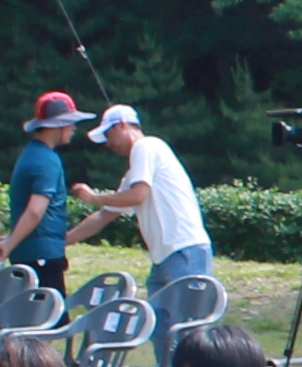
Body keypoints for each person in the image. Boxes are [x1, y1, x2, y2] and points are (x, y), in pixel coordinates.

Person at [75, 102, 211, 290]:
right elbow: (103, 216)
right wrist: (63, 241)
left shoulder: (146, 146)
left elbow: (137, 196)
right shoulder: (135, 173)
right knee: (157, 319)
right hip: (165, 258)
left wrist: (94, 197)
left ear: (122, 125)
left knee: (188, 318)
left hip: (183, 251)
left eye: (108, 134)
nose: (108, 143)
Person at [1, 90, 89, 292]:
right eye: (70, 122)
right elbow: (35, 211)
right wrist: (9, 244)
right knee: (51, 320)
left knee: (32, 319)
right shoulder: (47, 161)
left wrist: (11, 240)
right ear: (58, 125)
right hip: (42, 257)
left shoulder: (31, 154)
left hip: (31, 255)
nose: (73, 128)